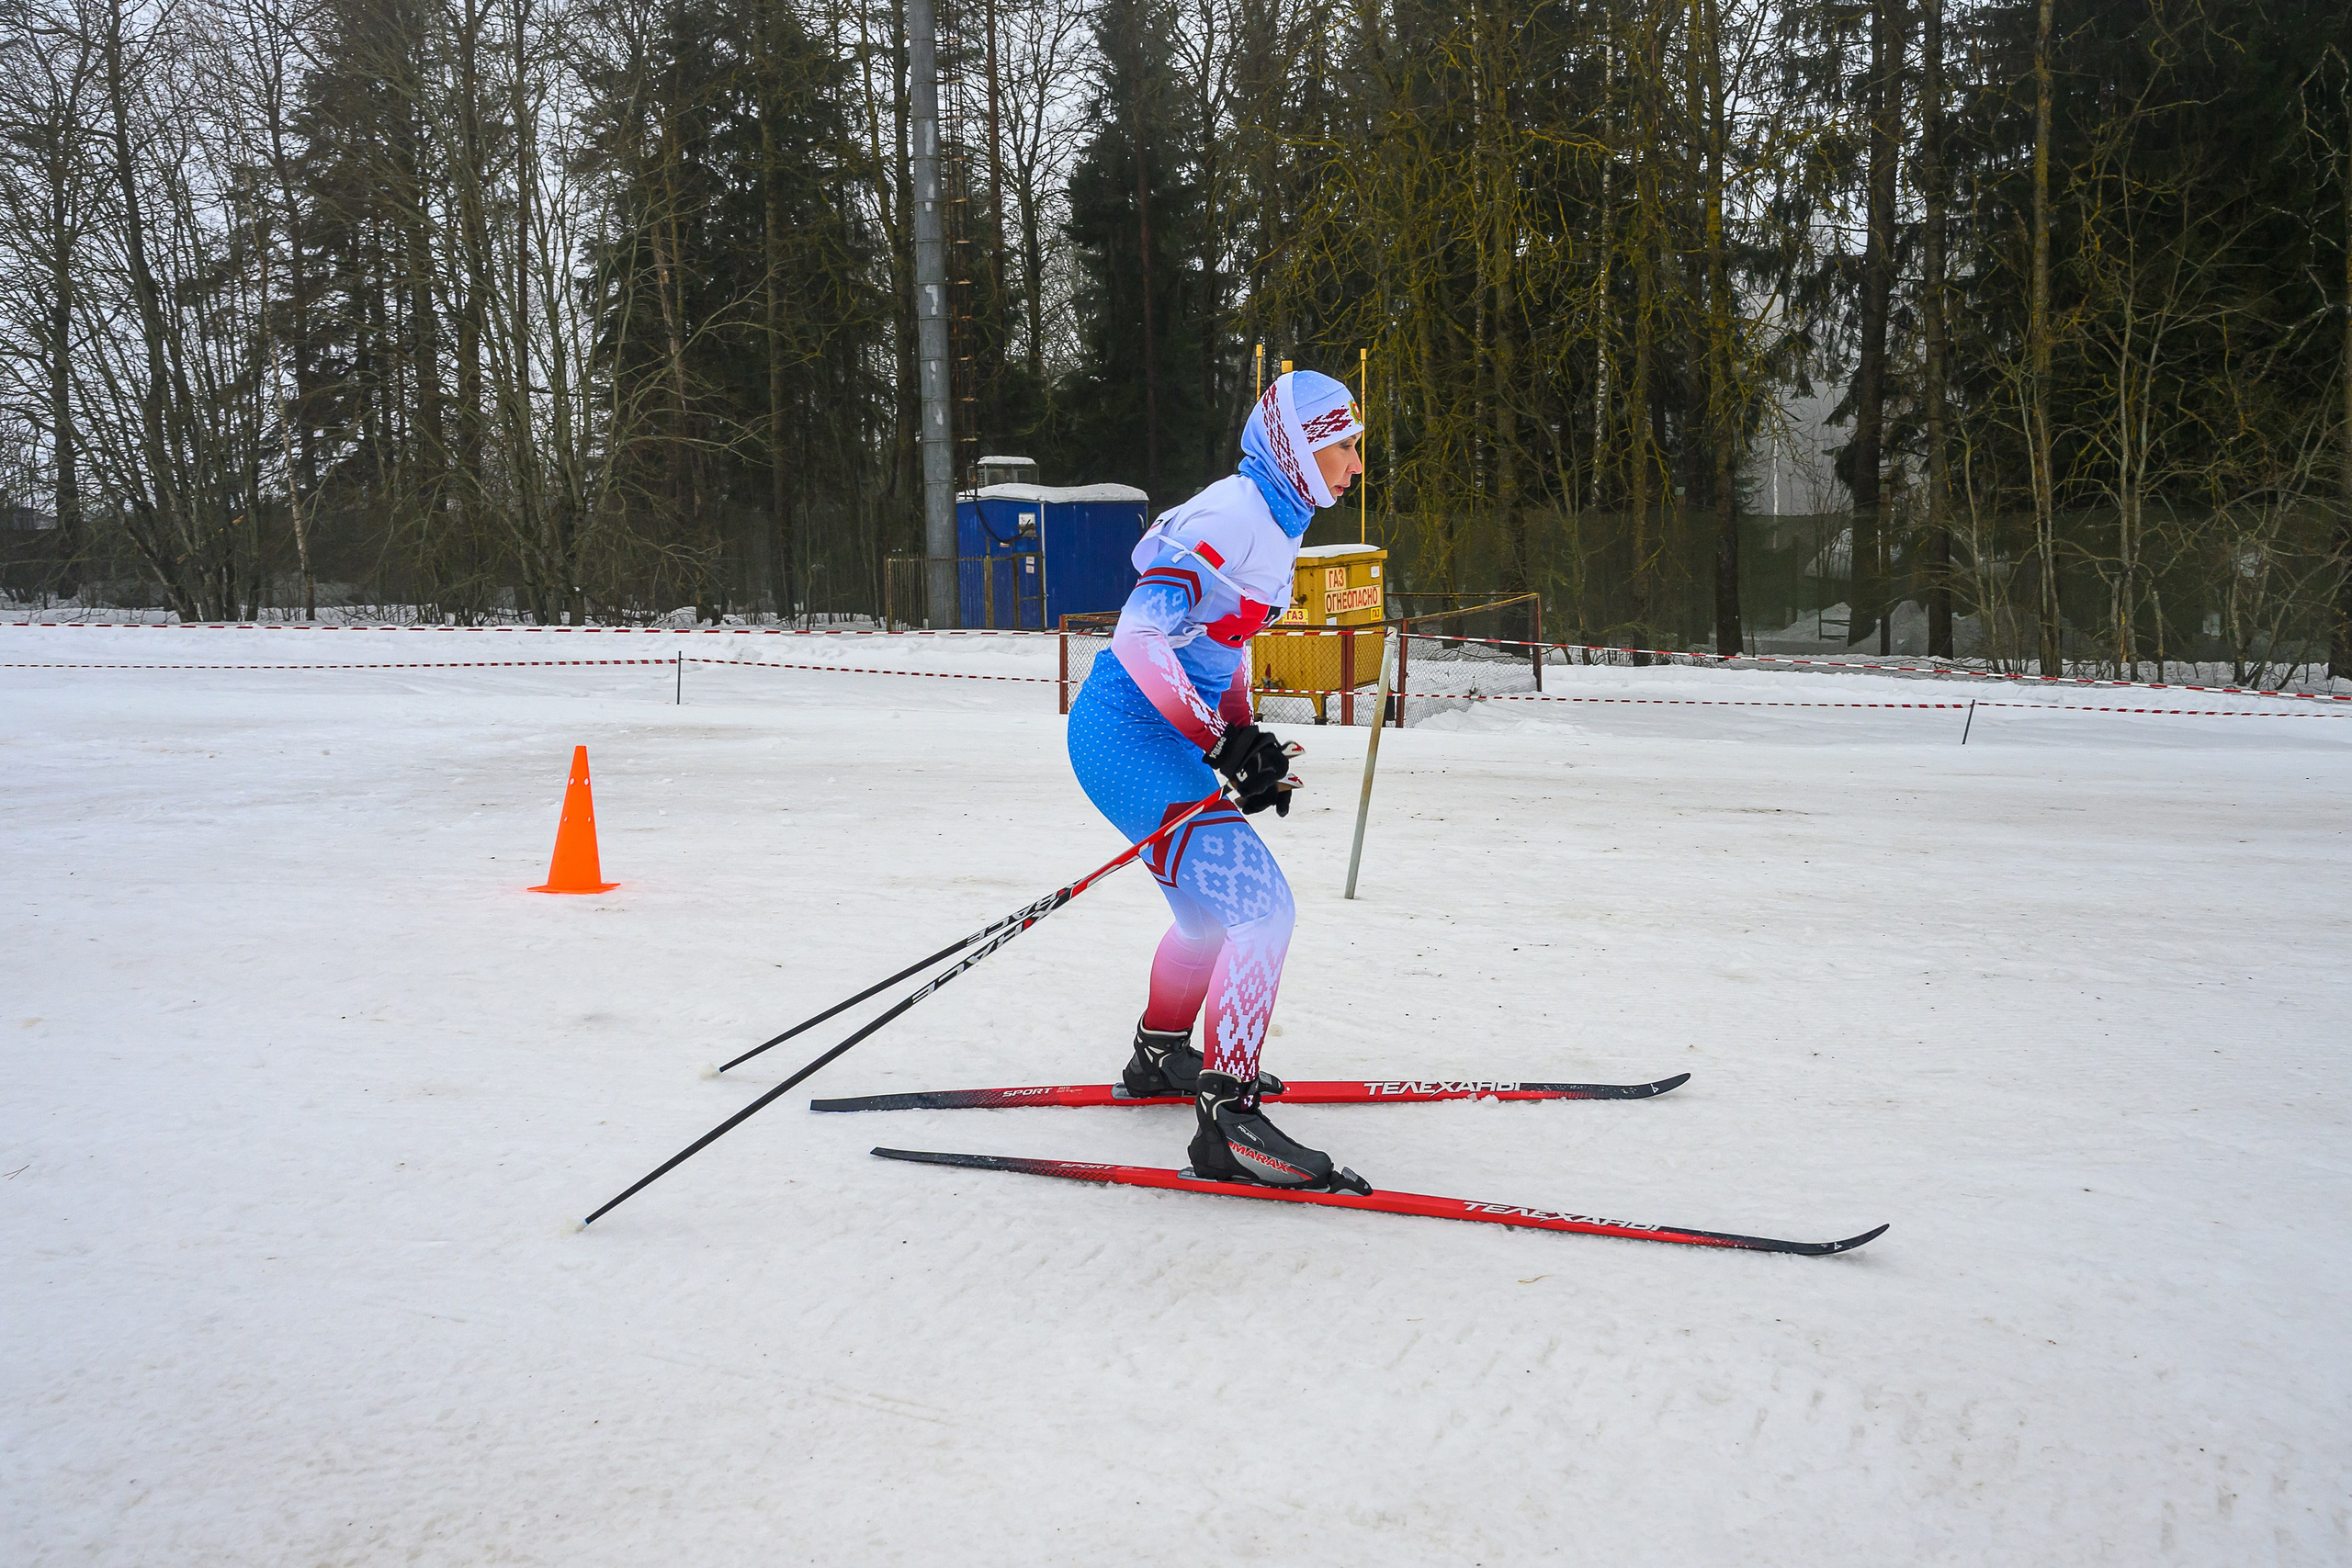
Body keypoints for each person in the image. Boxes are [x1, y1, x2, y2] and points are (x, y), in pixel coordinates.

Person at [1065, 369, 1371, 1194]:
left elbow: (1223, 648)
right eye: (1342, 446)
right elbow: (1140, 639)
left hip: (1155, 738)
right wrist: (1217, 740)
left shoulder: (1278, 525)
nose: (1353, 466)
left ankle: (1160, 1054)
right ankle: (1229, 1121)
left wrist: (1241, 732)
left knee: (1209, 918)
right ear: (1299, 447)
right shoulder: (1232, 514)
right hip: (1123, 733)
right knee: (1262, 908)